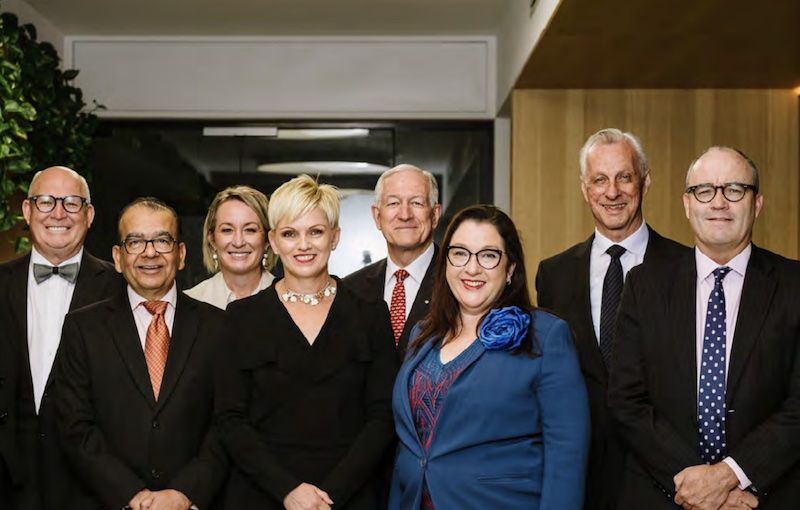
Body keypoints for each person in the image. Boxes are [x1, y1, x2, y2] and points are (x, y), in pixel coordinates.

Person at [609, 147, 800, 509]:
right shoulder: (644, 285)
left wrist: (728, 476)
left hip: (764, 496)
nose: (719, 202)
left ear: (757, 204)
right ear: (687, 204)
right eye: (704, 190)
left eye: (734, 190)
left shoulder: (794, 285)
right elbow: (626, 401)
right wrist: (700, 485)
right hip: (664, 494)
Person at [215, 174, 398, 510]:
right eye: (290, 233)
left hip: (349, 497)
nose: (303, 245)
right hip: (261, 496)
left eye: (315, 232)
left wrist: (331, 494)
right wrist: (288, 490)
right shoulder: (241, 318)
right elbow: (230, 420)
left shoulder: (370, 314)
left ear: (334, 237)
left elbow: (383, 417)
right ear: (273, 241)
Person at [391, 204, 590, 510]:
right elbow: (409, 446)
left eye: (488, 255)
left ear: (510, 269)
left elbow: (567, 454)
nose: (472, 268)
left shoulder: (546, 336)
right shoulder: (423, 333)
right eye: (460, 253)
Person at [535, 128, 687, 510]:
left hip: (665, 479)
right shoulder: (553, 274)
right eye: (600, 180)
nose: (612, 192)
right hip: (582, 477)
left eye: (624, 177)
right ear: (585, 188)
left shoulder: (686, 268)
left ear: (645, 182)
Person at [52, 197, 228, 510]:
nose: (150, 252)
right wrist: (132, 496)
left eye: (162, 240)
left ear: (181, 254)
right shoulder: (83, 328)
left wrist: (183, 494)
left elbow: (227, 423)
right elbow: (73, 427)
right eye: (135, 242)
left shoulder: (218, 327)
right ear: (118, 258)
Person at [0, 166, 122, 509]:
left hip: (91, 486)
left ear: (89, 214)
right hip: (7, 481)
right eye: (45, 202)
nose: (58, 213)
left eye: (71, 202)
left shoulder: (120, 289)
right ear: (27, 210)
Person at [344, 164, 442, 352]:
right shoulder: (350, 290)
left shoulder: (459, 280)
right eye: (393, 203)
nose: (405, 215)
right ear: (377, 216)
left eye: (417, 203)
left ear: (435, 215)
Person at [185, 185, 276, 309]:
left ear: (267, 240)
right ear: (212, 239)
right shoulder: (189, 303)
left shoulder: (289, 301)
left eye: (250, 230)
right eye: (227, 230)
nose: (238, 242)